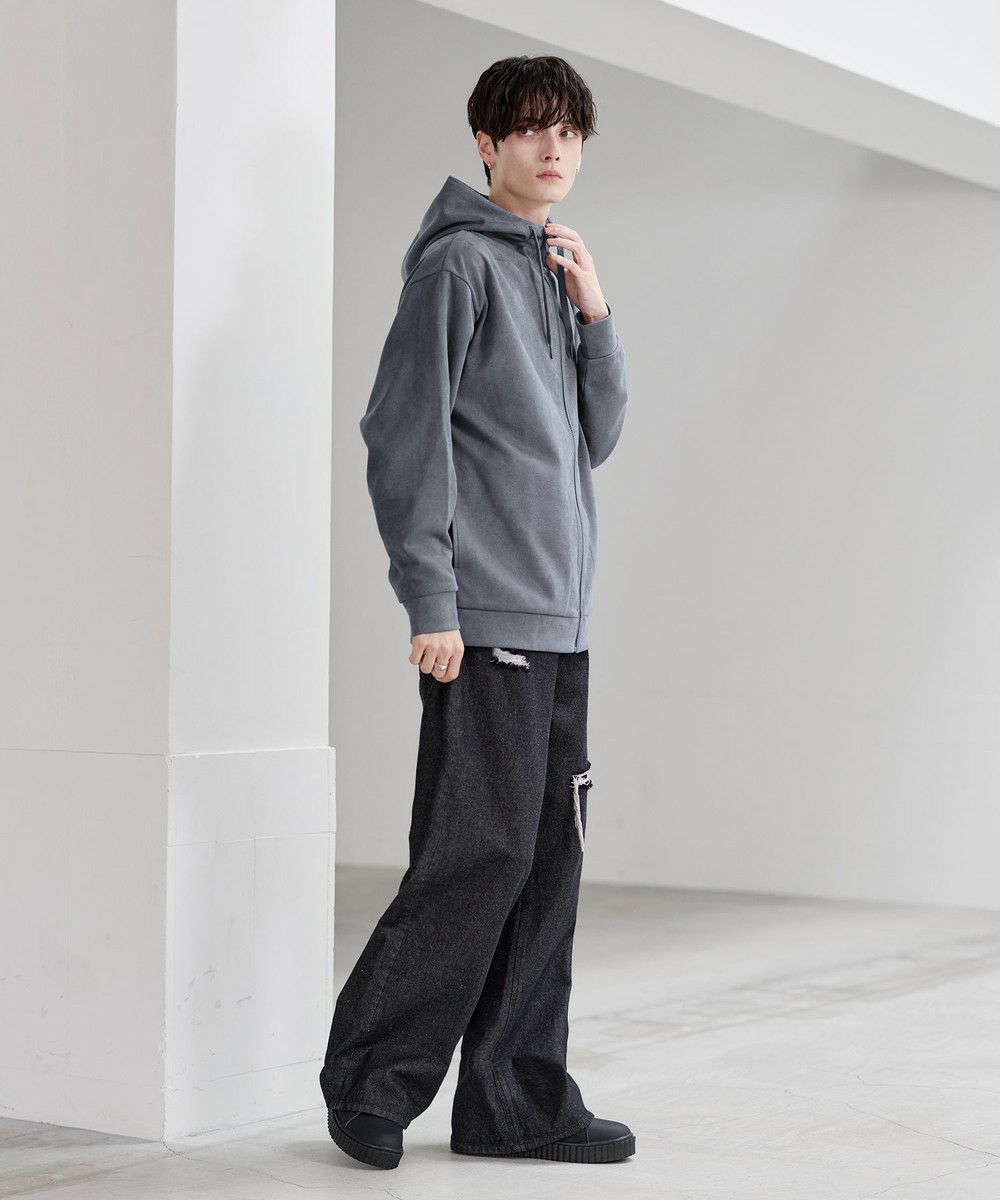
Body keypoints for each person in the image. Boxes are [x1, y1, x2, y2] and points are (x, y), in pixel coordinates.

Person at [319, 54, 632, 1170]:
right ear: (487, 143)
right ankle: (370, 1085)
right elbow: (400, 437)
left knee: (545, 864)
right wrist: (432, 599)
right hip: (487, 619)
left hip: (559, 622)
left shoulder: (551, 268)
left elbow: (595, 437)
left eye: (569, 133)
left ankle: (516, 1102)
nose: (553, 149)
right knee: (475, 857)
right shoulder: (458, 265)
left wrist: (595, 312)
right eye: (531, 129)